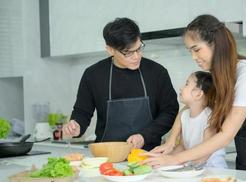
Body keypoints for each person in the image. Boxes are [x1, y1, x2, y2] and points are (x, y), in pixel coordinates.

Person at [145, 14, 246, 170]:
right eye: (191, 51)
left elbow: (226, 135)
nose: (194, 57)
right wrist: (171, 140)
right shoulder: (220, 74)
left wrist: (174, 159)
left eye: (196, 49)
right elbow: (187, 109)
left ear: (215, 44)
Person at [63, 17, 179, 151]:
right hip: (107, 157)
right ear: (110, 50)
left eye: (139, 48)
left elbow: (170, 112)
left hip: (148, 155)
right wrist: (76, 125)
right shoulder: (93, 75)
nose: (136, 56)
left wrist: (144, 136)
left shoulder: (157, 72)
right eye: (128, 53)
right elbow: (82, 111)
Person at [171, 71, 227, 168]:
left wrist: (176, 162)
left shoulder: (210, 117)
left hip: (215, 171)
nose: (181, 88)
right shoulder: (184, 115)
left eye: (187, 84)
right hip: (193, 169)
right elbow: (182, 146)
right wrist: (166, 159)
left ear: (198, 94)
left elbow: (204, 154)